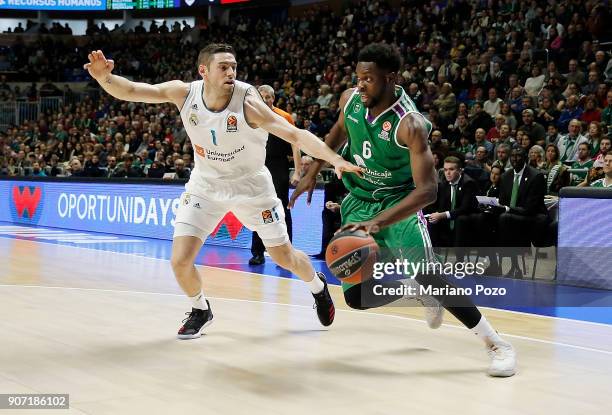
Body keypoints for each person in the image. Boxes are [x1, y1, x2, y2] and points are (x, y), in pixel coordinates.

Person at [84, 45, 362, 338]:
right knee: (179, 261)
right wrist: (105, 79)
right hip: (206, 185)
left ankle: (317, 286)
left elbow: (296, 134)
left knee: (283, 256)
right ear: (203, 71)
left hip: (251, 188)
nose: (231, 72)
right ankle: (200, 309)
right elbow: (133, 90)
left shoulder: (249, 103)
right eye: (223, 67)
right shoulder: (184, 93)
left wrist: (335, 159)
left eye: (233, 67)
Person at [289, 43, 516, 377]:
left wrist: (377, 224)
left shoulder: (410, 124)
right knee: (356, 298)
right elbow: (337, 133)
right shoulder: (350, 100)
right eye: (358, 77)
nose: (360, 84)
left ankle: (497, 344)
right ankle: (413, 292)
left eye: (368, 78)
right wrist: (312, 172)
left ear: (390, 78)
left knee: (430, 274)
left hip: (400, 203)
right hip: (359, 200)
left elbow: (428, 191)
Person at [248, 84, 302, 265]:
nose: (265, 99)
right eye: (261, 96)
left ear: (273, 98)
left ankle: (289, 252)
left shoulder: (284, 117)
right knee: (257, 208)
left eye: (268, 96)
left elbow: (296, 142)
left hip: (278, 165)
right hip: (257, 165)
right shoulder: (251, 116)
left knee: (282, 208)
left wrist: (298, 171)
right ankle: (257, 252)